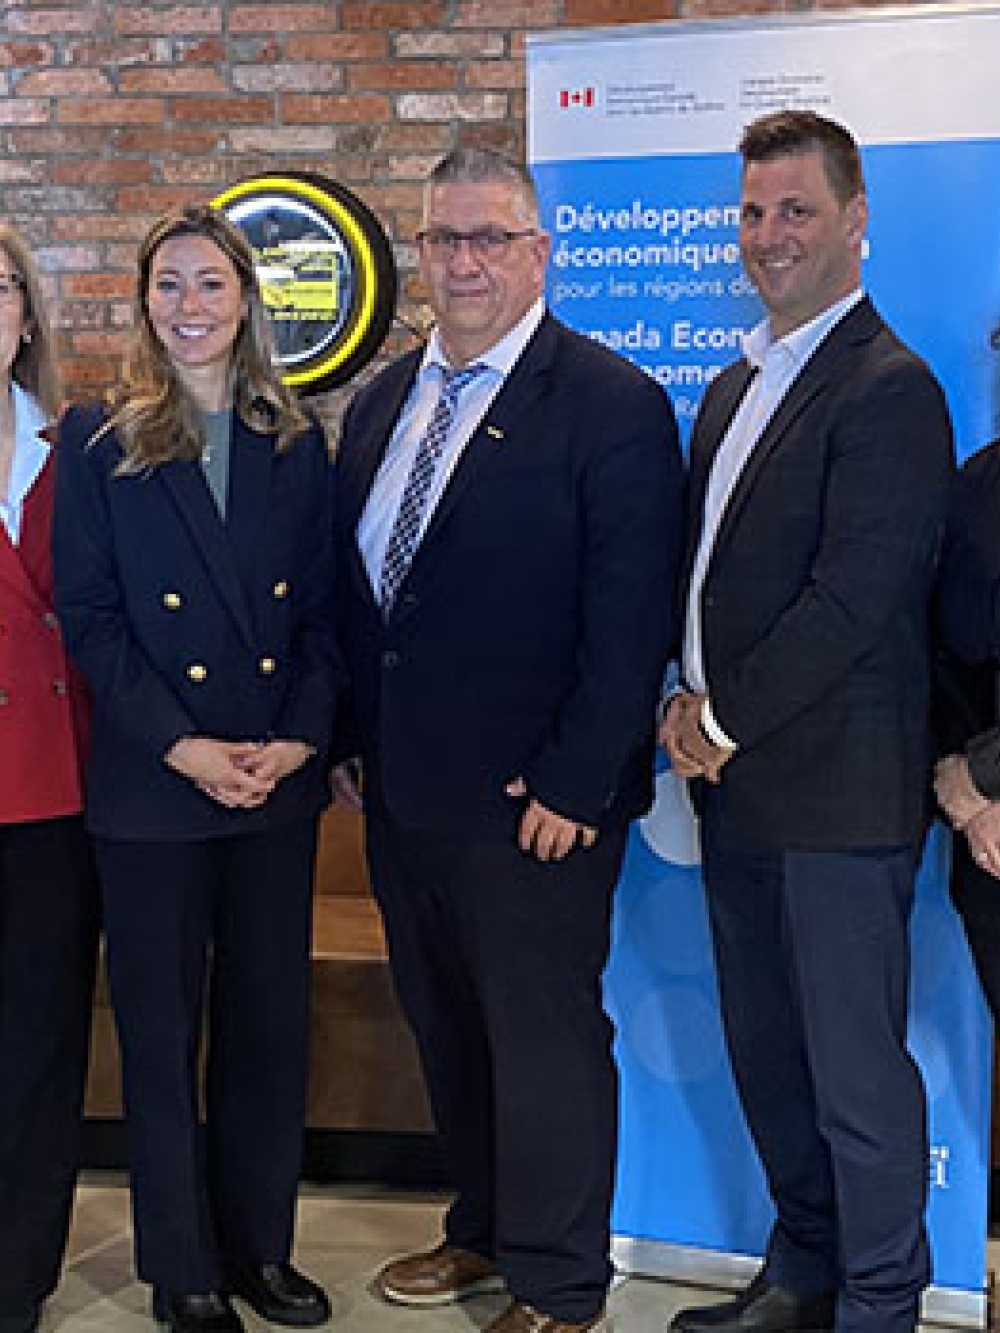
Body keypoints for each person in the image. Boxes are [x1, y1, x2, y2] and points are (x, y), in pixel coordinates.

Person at [332, 146, 684, 1333]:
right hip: (404, 794)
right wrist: (350, 739)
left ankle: (560, 1284)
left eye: (490, 238)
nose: (465, 261)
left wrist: (578, 781)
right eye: (445, 238)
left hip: (538, 804)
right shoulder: (382, 400)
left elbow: (629, 617)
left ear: (540, 253)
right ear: (421, 251)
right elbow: (365, 596)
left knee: (545, 1044)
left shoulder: (611, 403)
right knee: (448, 1029)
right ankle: (480, 1229)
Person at [660, 111, 954, 1333]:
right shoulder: (736, 384)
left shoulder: (890, 387)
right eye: (751, 211)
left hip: (836, 798)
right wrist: (682, 706)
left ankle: (879, 1306)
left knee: (853, 1079)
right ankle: (803, 1276)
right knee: (770, 1057)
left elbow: (852, 600)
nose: (767, 234)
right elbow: (707, 578)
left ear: (855, 219)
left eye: (796, 210)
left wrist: (719, 717)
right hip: (734, 793)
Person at [53, 205, 337, 1333]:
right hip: (153, 784)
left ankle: (260, 1248)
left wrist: (300, 740)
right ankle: (183, 1266)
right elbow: (91, 619)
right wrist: (182, 745)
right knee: (162, 1033)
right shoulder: (98, 440)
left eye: (210, 283)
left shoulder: (295, 439)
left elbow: (325, 616)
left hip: (273, 779)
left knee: (270, 1026)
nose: (190, 306)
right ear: (143, 303)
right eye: (168, 284)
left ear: (247, 298)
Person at [0, 223, 99, 1333]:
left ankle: (16, 1272)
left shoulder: (80, 447)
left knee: (38, 1043)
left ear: (26, 312)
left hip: (57, 793)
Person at [933, 442, 1000, 1011]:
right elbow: (950, 650)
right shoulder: (980, 481)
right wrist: (968, 795)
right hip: (985, 837)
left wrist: (985, 776)